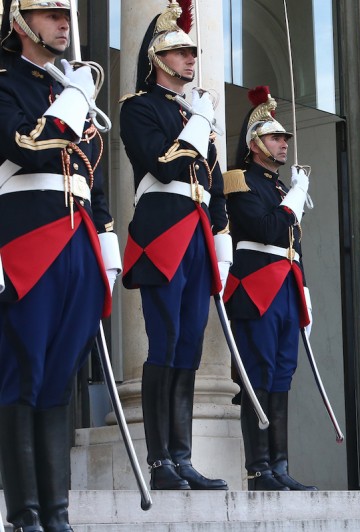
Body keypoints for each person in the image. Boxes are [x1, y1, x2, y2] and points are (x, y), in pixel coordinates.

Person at [0, 0, 120, 529]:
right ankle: (25, 514)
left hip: (77, 242)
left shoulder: (69, 90)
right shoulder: (7, 81)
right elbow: (26, 147)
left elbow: (92, 175)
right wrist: (72, 100)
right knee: (19, 375)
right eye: (51, 15)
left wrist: (107, 247)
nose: (64, 23)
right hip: (27, 240)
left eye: (66, 15)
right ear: (22, 22)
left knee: (59, 379)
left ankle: (58, 514)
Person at [119, 1, 229, 491]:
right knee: (164, 343)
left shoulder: (194, 112)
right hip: (162, 234)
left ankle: (182, 457)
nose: (191, 60)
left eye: (192, 53)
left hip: (198, 237)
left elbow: (214, 185)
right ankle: (160, 461)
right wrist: (199, 123)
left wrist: (223, 245)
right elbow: (162, 165)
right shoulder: (138, 108)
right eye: (181, 53)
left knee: (189, 348)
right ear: (159, 59)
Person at [222, 86, 316, 491]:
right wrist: (295, 197)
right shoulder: (238, 179)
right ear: (255, 142)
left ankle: (279, 465)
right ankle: (258, 468)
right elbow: (265, 228)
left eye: (283, 138)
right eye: (276, 137)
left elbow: (294, 245)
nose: (283, 144)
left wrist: (305, 289)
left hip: (286, 287)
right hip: (256, 287)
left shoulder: (279, 189)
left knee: (282, 377)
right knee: (257, 376)